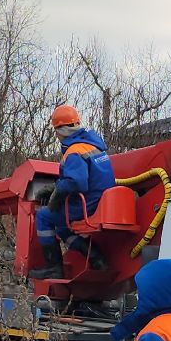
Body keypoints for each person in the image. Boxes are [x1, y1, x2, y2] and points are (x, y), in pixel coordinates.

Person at [30, 104, 116, 279]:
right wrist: (57, 187)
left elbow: (76, 181)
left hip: (87, 204)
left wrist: (56, 194)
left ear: (61, 130)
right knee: (62, 226)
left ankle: (54, 267)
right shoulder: (92, 146)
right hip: (102, 202)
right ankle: (96, 258)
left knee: (44, 216)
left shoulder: (74, 151)